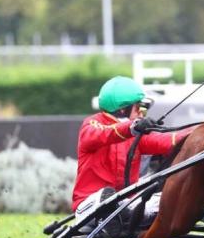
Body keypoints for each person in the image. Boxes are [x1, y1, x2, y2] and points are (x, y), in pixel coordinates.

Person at [72, 76, 186, 214]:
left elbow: (169, 140)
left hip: (126, 205)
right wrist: (132, 127)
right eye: (140, 108)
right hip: (89, 205)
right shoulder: (92, 124)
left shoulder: (136, 135)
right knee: (106, 200)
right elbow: (104, 134)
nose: (142, 113)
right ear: (122, 110)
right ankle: (112, 214)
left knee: (179, 199)